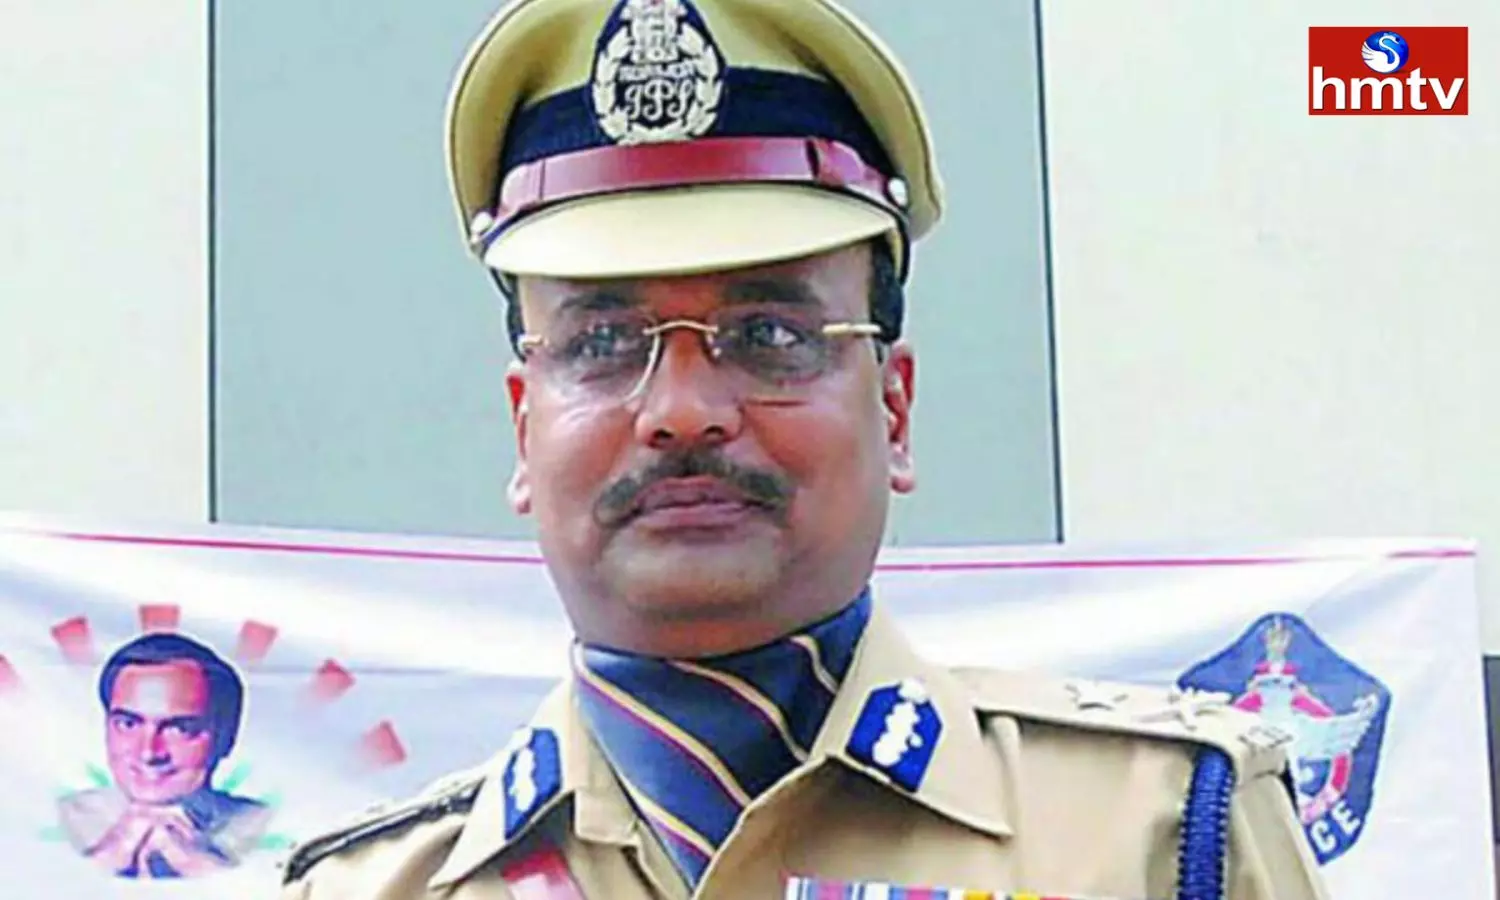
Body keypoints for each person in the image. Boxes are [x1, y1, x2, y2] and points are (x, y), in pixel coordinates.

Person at [280, 0, 1331, 896]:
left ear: (896, 409)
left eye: (769, 336)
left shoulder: (1163, 832)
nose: (681, 411)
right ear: (524, 427)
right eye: (602, 343)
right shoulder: (377, 889)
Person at [59, 632, 272, 879]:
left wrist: (208, 870)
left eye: (179, 729)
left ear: (226, 735)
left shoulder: (270, 828)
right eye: (128, 724)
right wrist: (97, 865)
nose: (149, 752)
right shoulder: (55, 819)